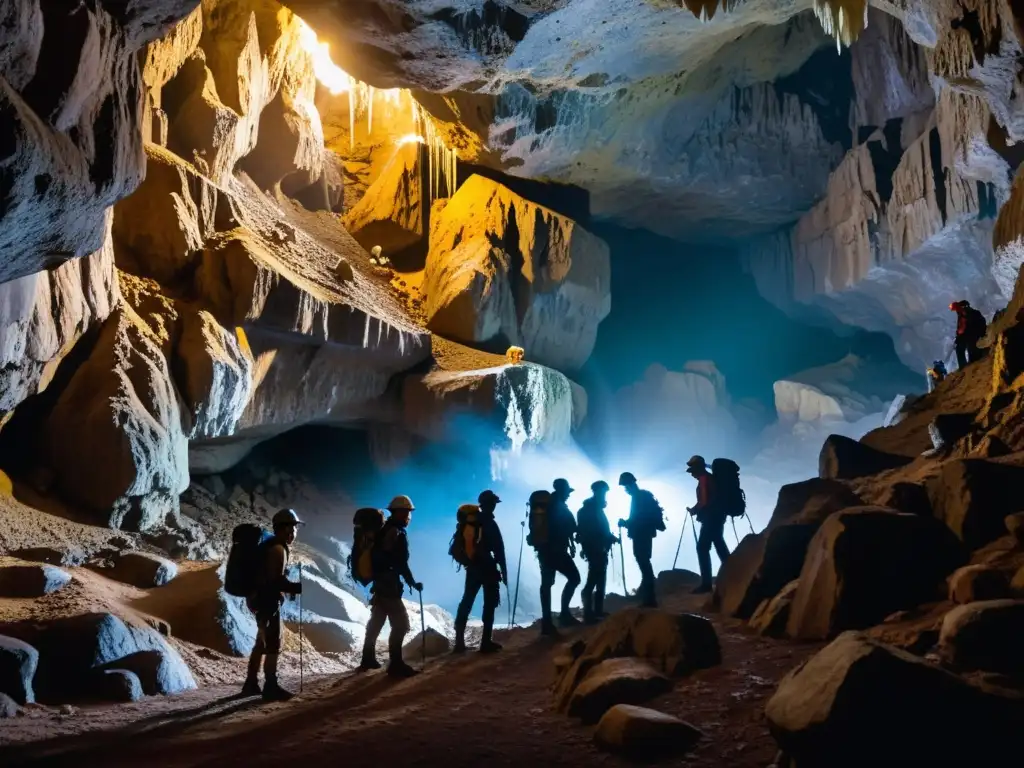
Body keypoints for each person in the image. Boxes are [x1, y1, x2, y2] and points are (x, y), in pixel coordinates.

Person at [358, 495, 423, 677]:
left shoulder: (385, 530)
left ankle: (367, 658)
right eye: (407, 512)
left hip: (380, 583)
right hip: (389, 584)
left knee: (377, 621)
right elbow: (400, 563)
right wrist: (412, 582)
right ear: (400, 513)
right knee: (401, 625)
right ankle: (395, 664)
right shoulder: (397, 532)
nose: (409, 516)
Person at [243, 508, 304, 701]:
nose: (295, 532)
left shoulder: (269, 545)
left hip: (258, 600)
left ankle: (251, 683)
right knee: (273, 644)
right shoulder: (278, 549)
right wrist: (296, 588)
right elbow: (276, 580)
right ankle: (270, 686)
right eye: (293, 528)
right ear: (285, 529)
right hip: (267, 602)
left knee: (261, 642)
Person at [453, 490, 508, 654]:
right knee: (490, 603)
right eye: (493, 503)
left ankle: (459, 643)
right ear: (490, 504)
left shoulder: (470, 522)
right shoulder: (489, 523)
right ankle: (486, 642)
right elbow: (499, 549)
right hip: (488, 568)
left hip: (473, 568)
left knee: (467, 601)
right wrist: (504, 572)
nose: (494, 506)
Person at [536, 478, 582, 634]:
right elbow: (571, 526)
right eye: (568, 492)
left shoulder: (548, 504)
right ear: (563, 490)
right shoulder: (558, 505)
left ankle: (547, 623)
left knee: (547, 584)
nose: (569, 495)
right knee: (574, 578)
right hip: (556, 551)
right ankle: (563, 615)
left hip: (544, 551)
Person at [617, 472, 663, 608]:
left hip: (641, 534)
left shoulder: (638, 498)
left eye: (626, 486)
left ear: (630, 484)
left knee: (644, 563)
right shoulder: (643, 496)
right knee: (644, 562)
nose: (625, 489)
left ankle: (650, 598)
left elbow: (638, 519)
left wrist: (625, 523)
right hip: (645, 534)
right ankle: (646, 595)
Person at [687, 455, 730, 594]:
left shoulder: (705, 479)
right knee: (719, 544)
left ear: (697, 468)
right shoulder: (709, 478)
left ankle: (706, 584)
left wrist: (694, 510)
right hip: (717, 516)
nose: (691, 473)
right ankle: (732, 572)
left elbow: (704, 501)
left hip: (711, 518)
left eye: (692, 469)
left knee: (702, 547)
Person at [576, 480, 618, 623]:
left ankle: (596, 611)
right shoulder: (591, 510)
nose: (604, 495)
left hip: (597, 548)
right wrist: (605, 539)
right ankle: (589, 613)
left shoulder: (592, 510)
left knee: (599, 579)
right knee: (594, 579)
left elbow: (597, 530)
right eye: (603, 492)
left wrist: (609, 537)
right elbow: (591, 531)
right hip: (595, 549)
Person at [950, 300, 986, 369]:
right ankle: (970, 366)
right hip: (974, 336)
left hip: (971, 337)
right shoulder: (974, 313)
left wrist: (958, 334)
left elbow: (962, 329)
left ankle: (965, 367)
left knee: (963, 349)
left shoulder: (965, 314)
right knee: (969, 351)